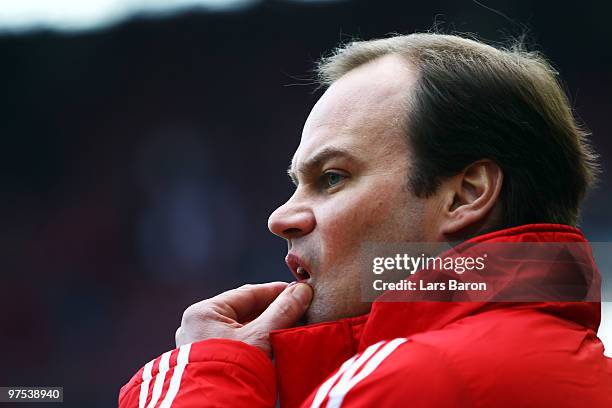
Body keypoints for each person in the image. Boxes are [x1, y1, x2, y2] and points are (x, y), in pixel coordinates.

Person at [118, 33, 612, 407]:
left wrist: (206, 372)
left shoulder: (403, 382)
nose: (281, 217)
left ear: (466, 195)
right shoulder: (581, 373)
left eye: (331, 178)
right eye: (296, 183)